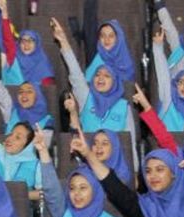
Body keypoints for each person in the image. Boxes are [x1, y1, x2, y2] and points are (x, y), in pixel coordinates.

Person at [51, 19, 137, 149]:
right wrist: (63, 41)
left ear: (115, 83)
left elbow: (130, 144)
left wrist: (134, 163)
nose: (100, 78)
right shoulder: (86, 97)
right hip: (88, 156)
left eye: (106, 76)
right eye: (97, 74)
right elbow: (76, 73)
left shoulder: (124, 107)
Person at [0, 0, 54, 86]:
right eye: (23, 41)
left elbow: (47, 91)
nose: (26, 44)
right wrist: (4, 15)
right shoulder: (13, 56)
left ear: (37, 44)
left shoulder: (43, 65)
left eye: (30, 40)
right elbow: (8, 39)